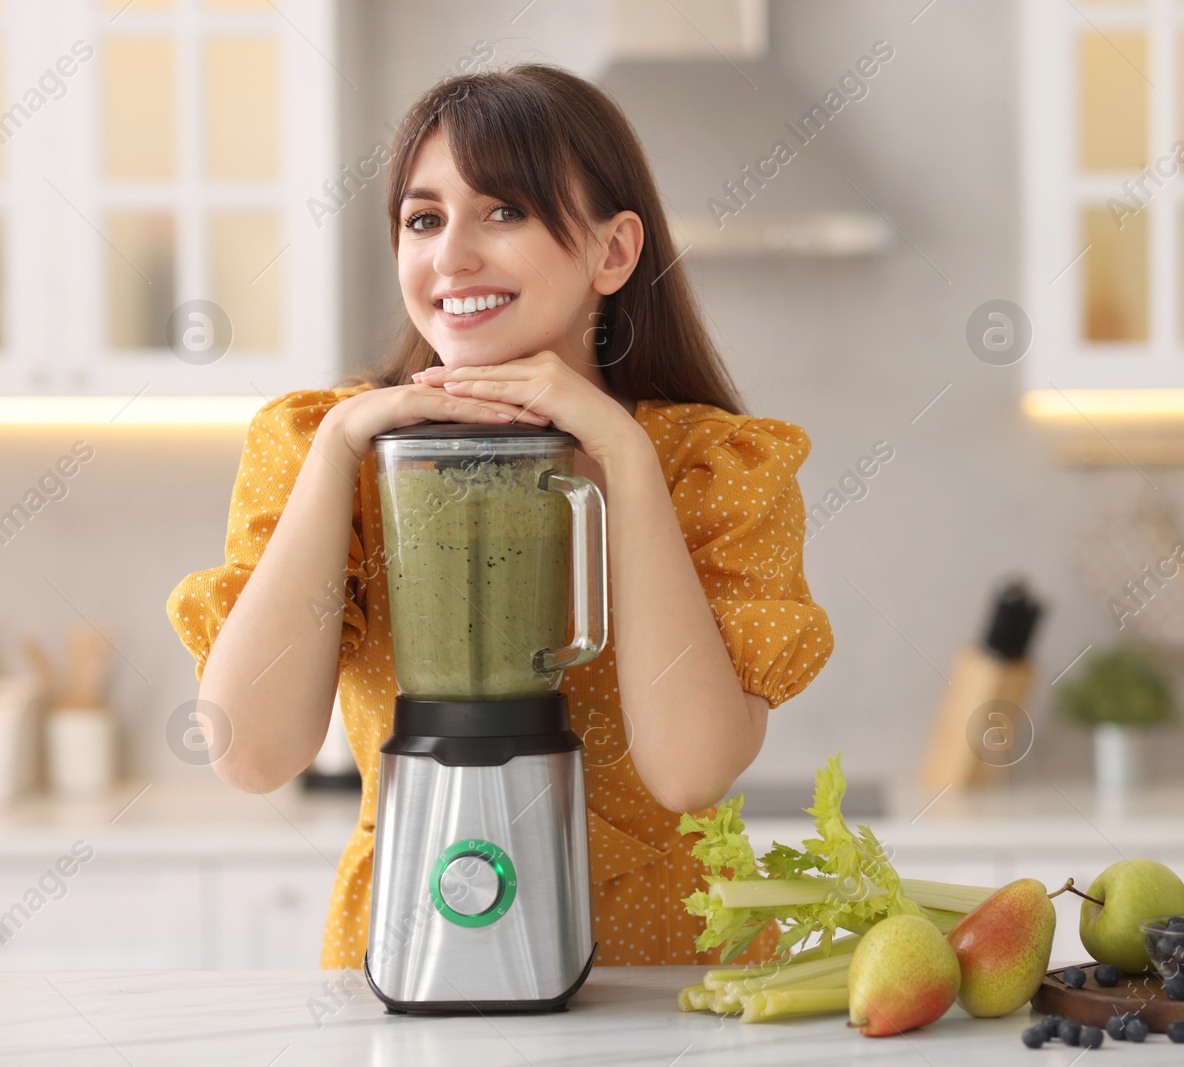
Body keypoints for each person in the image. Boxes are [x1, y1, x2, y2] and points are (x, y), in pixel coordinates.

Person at [166, 63, 833, 968]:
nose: (451, 256)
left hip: (669, 977)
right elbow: (251, 755)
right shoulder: (325, 447)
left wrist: (623, 458)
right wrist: (338, 448)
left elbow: (688, 772)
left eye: (505, 210)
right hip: (412, 946)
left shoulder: (713, 468)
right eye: (424, 218)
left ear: (613, 251)